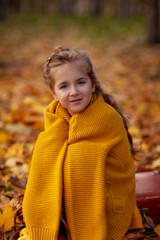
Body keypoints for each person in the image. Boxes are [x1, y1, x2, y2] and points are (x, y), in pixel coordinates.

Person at [20, 47, 143, 240]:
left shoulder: (106, 118)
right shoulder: (56, 118)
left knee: (77, 157)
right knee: (46, 150)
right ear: (54, 93)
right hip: (71, 200)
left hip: (105, 202)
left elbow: (83, 162)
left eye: (80, 82)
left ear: (92, 84)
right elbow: (46, 160)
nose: (74, 92)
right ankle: (48, 225)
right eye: (64, 86)